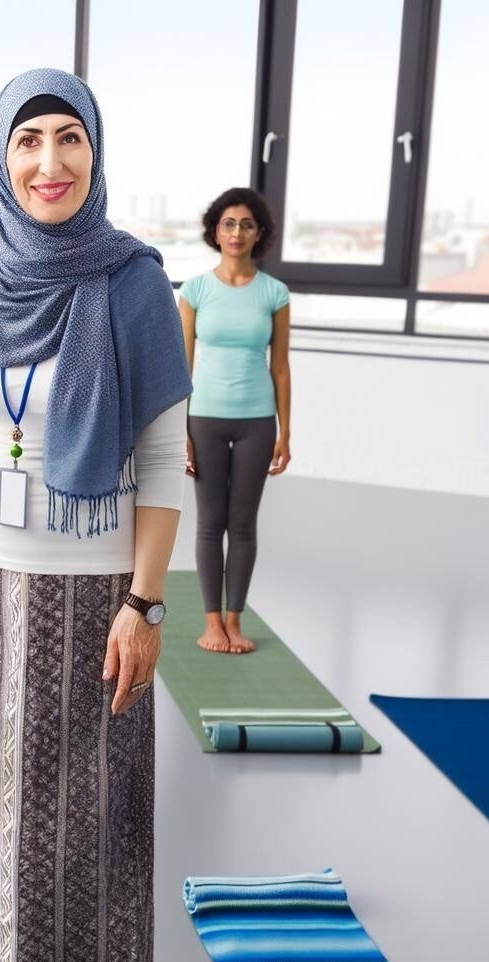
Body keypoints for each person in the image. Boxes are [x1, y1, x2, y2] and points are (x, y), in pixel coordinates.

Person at [0, 69, 191, 962]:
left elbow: (159, 459)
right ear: (0, 155)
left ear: (96, 152)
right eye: (28, 142)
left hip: (92, 591)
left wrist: (144, 606)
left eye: (70, 138)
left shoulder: (137, 283)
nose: (49, 162)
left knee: (88, 834)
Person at [178, 187, 292, 654]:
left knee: (243, 524)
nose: (237, 232)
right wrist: (179, 430)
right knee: (210, 522)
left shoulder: (275, 293)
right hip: (204, 417)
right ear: (215, 231)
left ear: (259, 232)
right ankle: (211, 623)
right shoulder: (196, 290)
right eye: (228, 223)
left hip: (256, 421)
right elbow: (180, 365)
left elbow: (280, 367)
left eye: (246, 224)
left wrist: (286, 431)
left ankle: (234, 620)